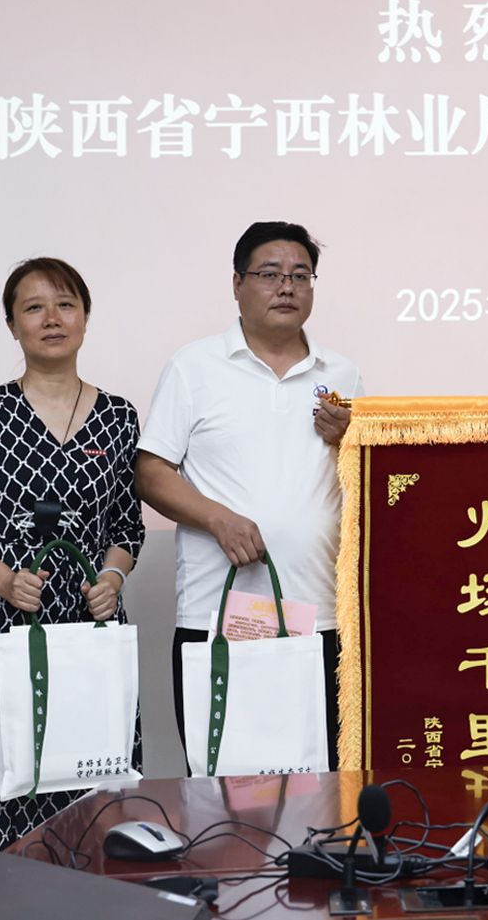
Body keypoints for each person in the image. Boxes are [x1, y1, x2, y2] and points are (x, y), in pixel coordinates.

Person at [0, 257, 144, 871]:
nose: (52, 319)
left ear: (85, 318)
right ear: (12, 325)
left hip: (89, 622)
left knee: (93, 777)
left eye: (66, 305)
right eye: (34, 307)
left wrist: (111, 579)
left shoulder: (119, 416)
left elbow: (126, 529)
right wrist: (5, 580)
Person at [136, 222, 362, 770]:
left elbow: (366, 485)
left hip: (322, 616)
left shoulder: (342, 374)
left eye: (300, 276)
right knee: (223, 789)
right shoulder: (195, 366)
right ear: (237, 284)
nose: (287, 287)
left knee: (321, 789)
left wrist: (351, 441)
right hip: (218, 617)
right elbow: (150, 471)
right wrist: (219, 519)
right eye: (269, 274)